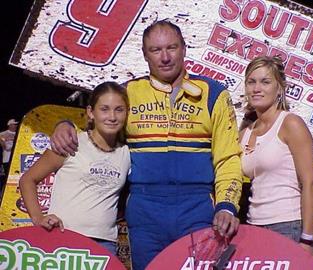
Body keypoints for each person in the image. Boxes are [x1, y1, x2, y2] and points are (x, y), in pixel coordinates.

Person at [51, 20, 242, 270]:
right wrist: (64, 123)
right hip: (145, 210)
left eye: (171, 48)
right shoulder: (129, 92)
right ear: (144, 55)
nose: (165, 57)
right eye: (155, 50)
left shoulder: (215, 94)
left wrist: (227, 205)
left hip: (197, 209)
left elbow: (228, 158)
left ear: (184, 49)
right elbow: (97, 124)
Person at [19, 82, 130, 255]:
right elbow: (27, 180)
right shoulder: (70, 144)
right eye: (104, 109)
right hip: (64, 239)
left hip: (105, 244)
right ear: (91, 112)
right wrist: (38, 218)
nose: (112, 116)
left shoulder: (127, 152)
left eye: (119, 109)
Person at [239, 56, 313, 254]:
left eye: (265, 82)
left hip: (286, 225)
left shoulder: (291, 124)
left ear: (279, 88)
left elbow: (310, 183)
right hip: (252, 226)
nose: (257, 88)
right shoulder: (245, 130)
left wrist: (306, 239)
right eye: (251, 81)